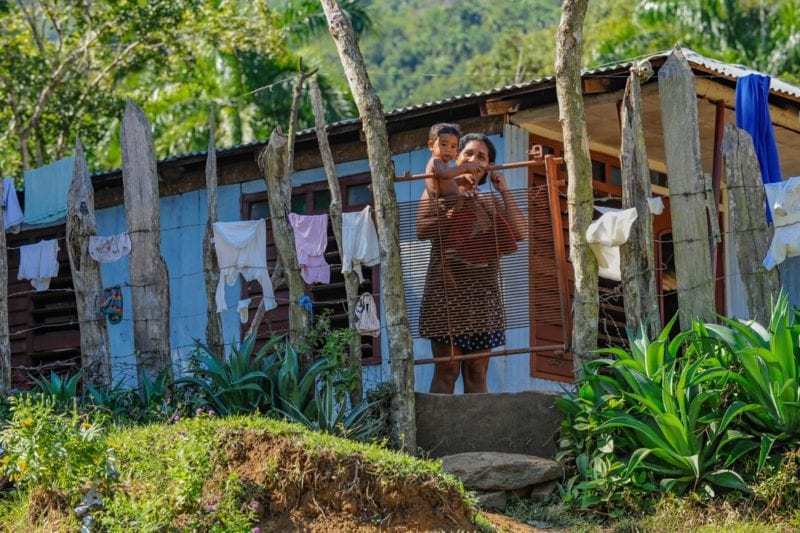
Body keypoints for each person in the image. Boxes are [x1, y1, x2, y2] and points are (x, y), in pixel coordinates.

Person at [416, 133, 527, 394]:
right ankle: (439, 431)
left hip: (482, 298)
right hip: (446, 295)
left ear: (488, 167)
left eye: (482, 157)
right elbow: (422, 230)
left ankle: (476, 433)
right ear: (456, 158)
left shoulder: (491, 200)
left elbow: (520, 233)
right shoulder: (436, 192)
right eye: (468, 154)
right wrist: (455, 207)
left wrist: (503, 189)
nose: (474, 160)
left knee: (477, 372)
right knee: (448, 369)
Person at [424, 123, 483, 199]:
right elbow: (444, 174)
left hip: (445, 203)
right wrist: (465, 167)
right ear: (431, 145)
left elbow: (445, 180)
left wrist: (461, 179)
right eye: (444, 144)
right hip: (436, 206)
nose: (448, 150)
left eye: (453, 146)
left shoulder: (445, 166)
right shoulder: (435, 161)